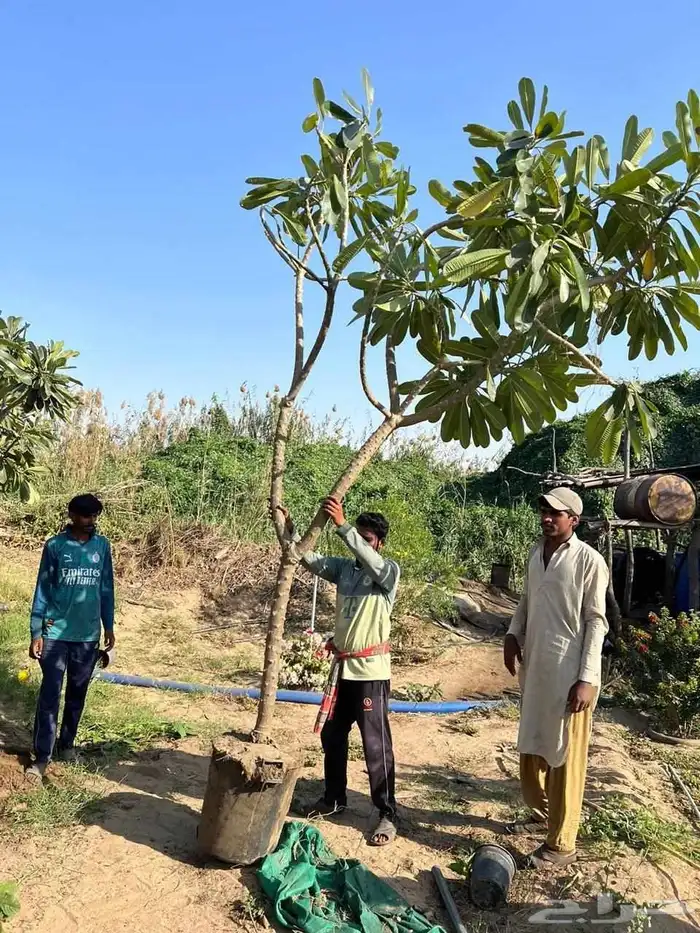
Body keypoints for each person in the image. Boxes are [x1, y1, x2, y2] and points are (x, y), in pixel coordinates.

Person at [276, 496, 400, 847]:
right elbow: (307, 559)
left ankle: (387, 811)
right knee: (332, 735)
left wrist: (344, 526)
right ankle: (333, 798)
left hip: (370, 673)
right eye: (359, 535)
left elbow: (371, 561)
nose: (362, 543)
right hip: (343, 671)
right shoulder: (346, 570)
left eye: (368, 538)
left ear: (379, 543)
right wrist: (289, 529)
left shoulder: (387, 573)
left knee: (375, 744)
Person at [503, 487, 608, 869]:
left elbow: (597, 622)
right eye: (544, 510)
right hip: (538, 671)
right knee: (532, 745)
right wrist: (513, 634)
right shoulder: (536, 554)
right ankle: (541, 815)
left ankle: (562, 844)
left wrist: (587, 677)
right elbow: (527, 602)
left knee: (564, 756)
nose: (547, 518)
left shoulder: (589, 561)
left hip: (570, 676)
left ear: (573, 521)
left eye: (556, 513)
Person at [26, 493, 116, 780]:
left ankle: (67, 744)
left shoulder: (102, 547)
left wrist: (109, 625)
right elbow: (42, 589)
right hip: (55, 634)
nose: (91, 521)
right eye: (86, 516)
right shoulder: (55, 546)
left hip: (87, 635)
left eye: (94, 516)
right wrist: (35, 631)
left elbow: (106, 588)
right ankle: (41, 756)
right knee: (50, 694)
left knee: (78, 693)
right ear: (73, 516)